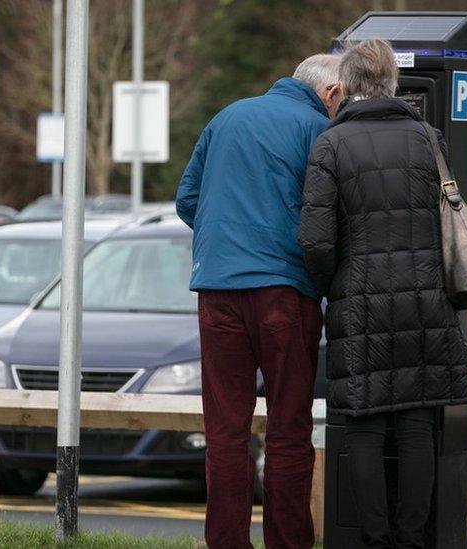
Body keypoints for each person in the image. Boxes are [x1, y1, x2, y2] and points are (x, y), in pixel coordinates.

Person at [298, 39, 467, 548]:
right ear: (393, 85)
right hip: (425, 300)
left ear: (349, 84)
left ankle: (374, 541)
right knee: (419, 423)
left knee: (366, 425)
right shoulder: (428, 137)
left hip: (360, 304)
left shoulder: (330, 145)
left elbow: (315, 239)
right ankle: (413, 540)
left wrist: (332, 284)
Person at [176, 53, 343, 549]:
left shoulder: (225, 116)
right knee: (289, 428)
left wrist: (226, 241)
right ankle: (288, 543)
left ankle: (226, 542)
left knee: (225, 430)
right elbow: (326, 215)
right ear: (331, 93)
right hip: (285, 293)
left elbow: (188, 199)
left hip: (217, 290)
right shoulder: (317, 129)